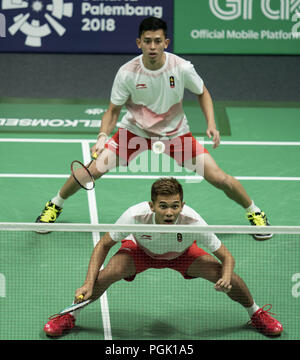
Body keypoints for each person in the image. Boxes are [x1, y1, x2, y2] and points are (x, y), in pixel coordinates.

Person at [36, 16, 271, 240]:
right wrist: (102, 135)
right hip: (134, 132)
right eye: (147, 41)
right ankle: (54, 205)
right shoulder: (127, 73)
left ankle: (254, 212)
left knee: (218, 177)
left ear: (166, 43)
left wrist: (211, 123)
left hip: (175, 134)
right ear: (139, 43)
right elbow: (113, 111)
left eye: (158, 41)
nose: (152, 46)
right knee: (91, 171)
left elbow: (202, 92)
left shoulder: (181, 68)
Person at [43, 178, 282, 338]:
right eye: (164, 206)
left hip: (182, 255)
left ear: (182, 205)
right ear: (152, 205)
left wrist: (227, 277)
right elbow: (104, 245)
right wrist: (87, 282)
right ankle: (70, 316)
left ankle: (256, 313)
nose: (170, 212)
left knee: (223, 273)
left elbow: (226, 257)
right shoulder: (134, 216)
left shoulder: (194, 221)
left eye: (175, 206)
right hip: (141, 252)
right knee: (107, 275)